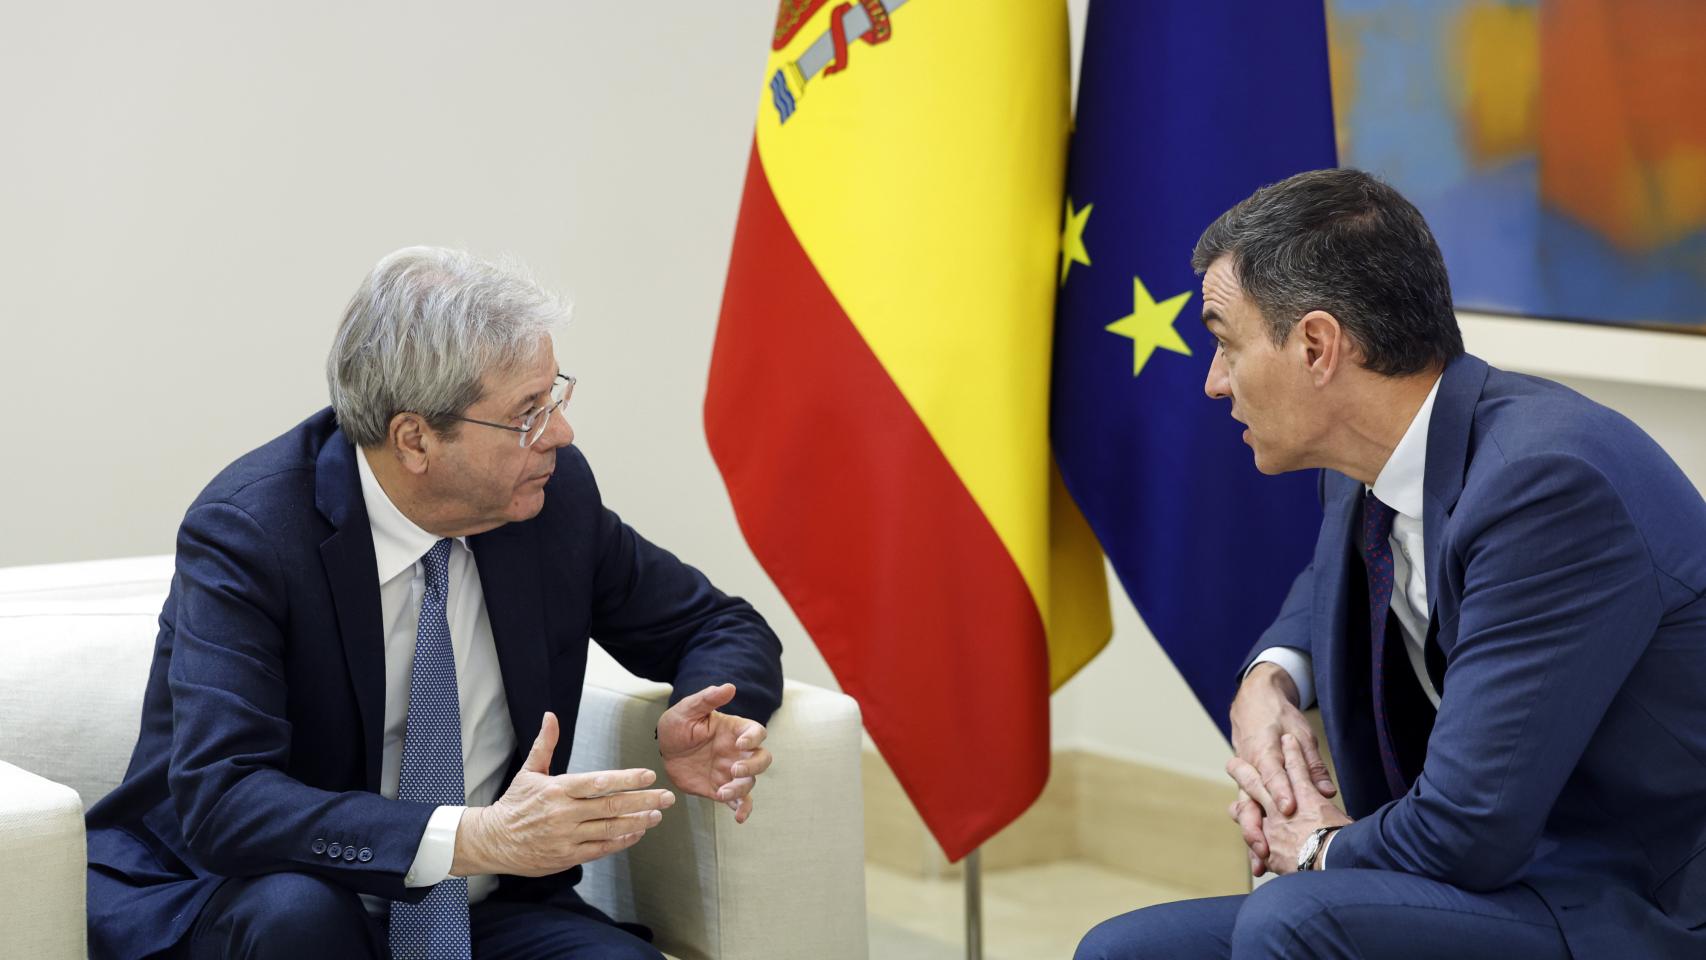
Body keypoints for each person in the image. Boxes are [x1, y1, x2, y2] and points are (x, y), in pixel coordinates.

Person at [84, 247, 784, 960]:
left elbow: (719, 623)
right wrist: (476, 837)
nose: (560, 434)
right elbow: (225, 799)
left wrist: (704, 716)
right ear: (414, 439)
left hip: (482, 907)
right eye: (527, 414)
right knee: (298, 919)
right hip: (262, 897)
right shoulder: (253, 533)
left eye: (554, 397)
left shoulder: (550, 501)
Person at [1076, 169, 1706, 959]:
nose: (1213, 381)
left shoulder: (1548, 486)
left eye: (1226, 344)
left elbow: (1466, 830)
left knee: (1292, 920)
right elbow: (1329, 585)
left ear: (1316, 346)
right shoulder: (1368, 463)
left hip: (1632, 900)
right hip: (1515, 876)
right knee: (1123, 950)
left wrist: (1312, 844)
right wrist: (1268, 682)